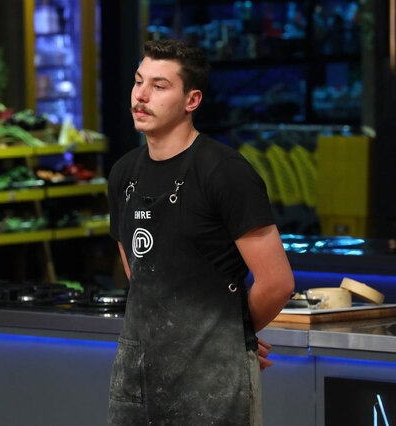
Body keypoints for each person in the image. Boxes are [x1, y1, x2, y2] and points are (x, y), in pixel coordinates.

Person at [106, 39, 295, 426]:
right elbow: (138, 272)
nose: (141, 95)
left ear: (192, 100)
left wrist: (232, 336)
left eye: (159, 86)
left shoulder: (226, 172)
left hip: (213, 377)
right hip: (137, 372)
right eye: (139, 81)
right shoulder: (123, 173)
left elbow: (277, 283)